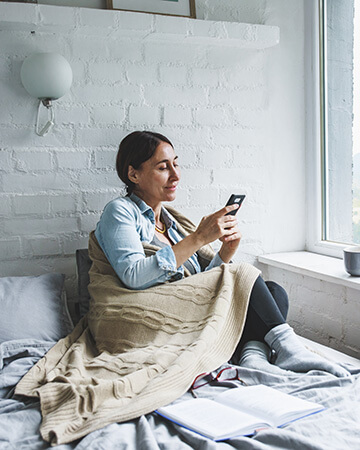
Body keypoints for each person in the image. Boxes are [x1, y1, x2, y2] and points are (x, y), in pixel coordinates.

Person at [94, 130, 349, 378]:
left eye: (176, 164)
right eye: (163, 168)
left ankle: (253, 357)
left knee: (274, 291)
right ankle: (288, 349)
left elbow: (198, 281)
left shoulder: (171, 222)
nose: (175, 175)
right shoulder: (120, 211)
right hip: (157, 311)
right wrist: (198, 238)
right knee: (244, 275)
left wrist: (224, 254)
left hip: (188, 303)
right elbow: (133, 276)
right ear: (133, 174)